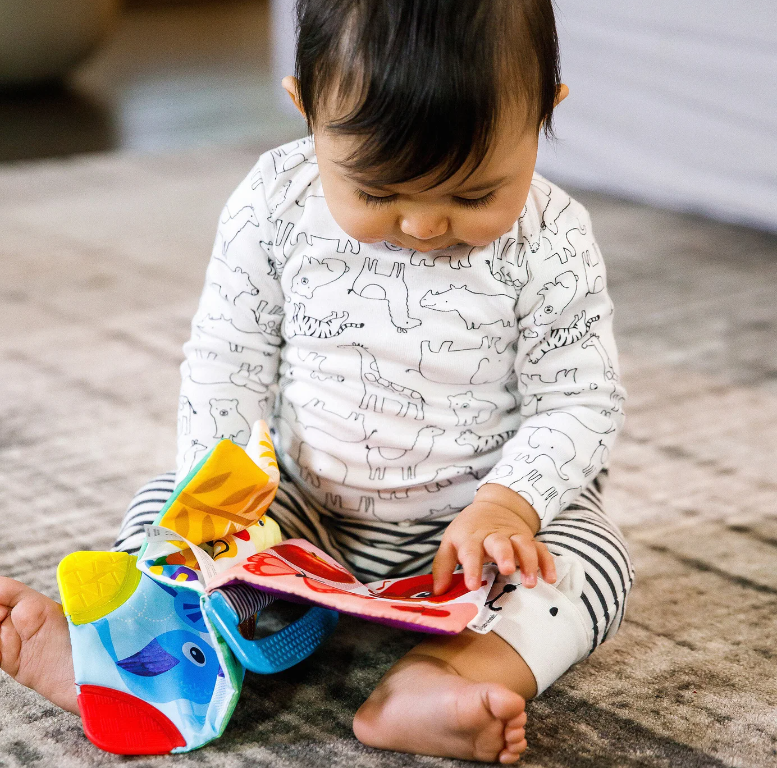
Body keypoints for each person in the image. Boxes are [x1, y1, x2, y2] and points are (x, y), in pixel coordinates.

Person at [0, 0, 633, 763]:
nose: (425, 226)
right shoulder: (275, 203)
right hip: (300, 510)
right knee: (167, 510)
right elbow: (227, 354)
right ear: (304, 108)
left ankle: (439, 680)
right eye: (376, 192)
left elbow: (579, 398)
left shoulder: (552, 240)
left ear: (542, 114)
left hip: (478, 531)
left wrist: (509, 504)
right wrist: (217, 494)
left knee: (588, 562)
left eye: (472, 195)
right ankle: (125, 659)